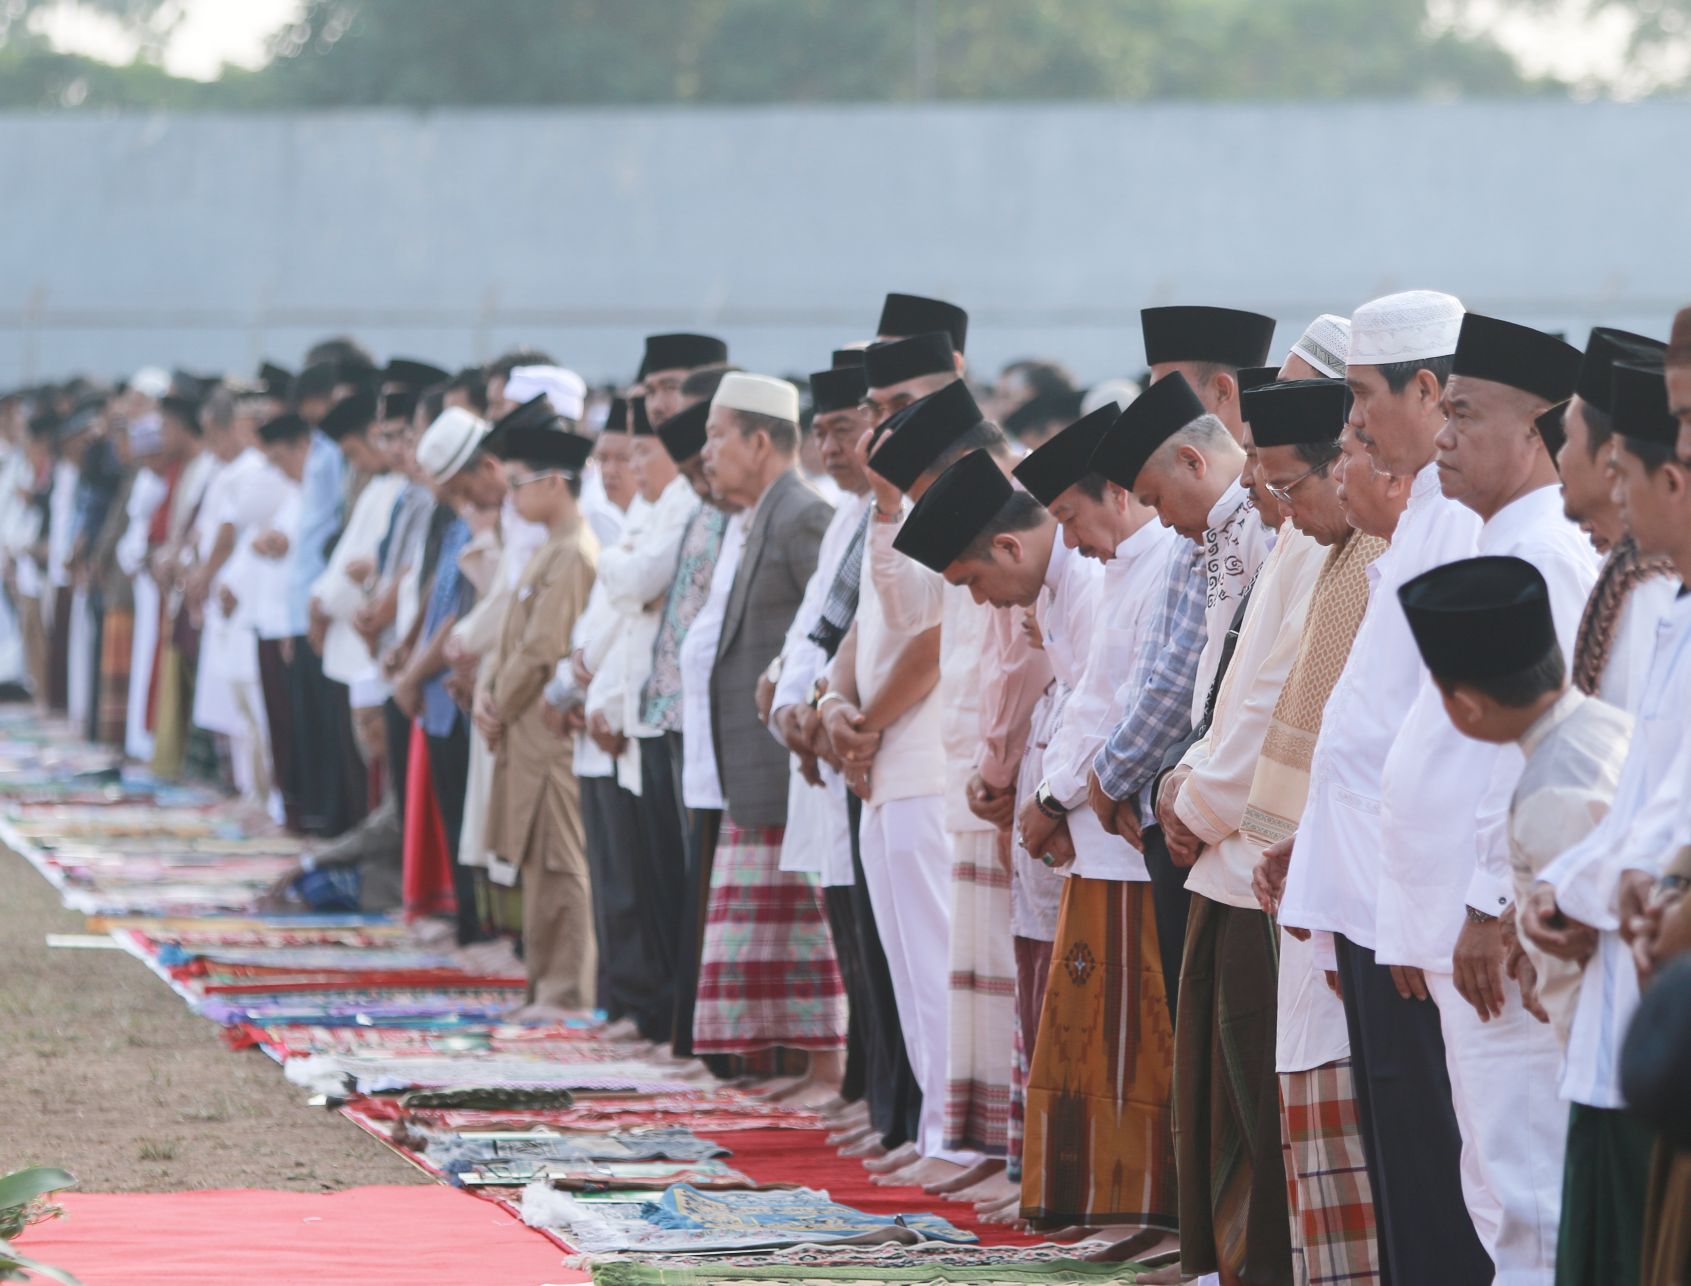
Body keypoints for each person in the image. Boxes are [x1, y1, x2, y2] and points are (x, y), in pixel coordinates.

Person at [1271, 288, 1494, 1285]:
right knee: (1407, 1166)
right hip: (1373, 893)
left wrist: (1426, 909)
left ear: (1426, 386)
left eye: (1363, 397)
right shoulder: (1424, 516)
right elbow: (1368, 725)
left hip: (1416, 910)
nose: (1351, 423)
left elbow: (1475, 734)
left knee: (1443, 1170)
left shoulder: (1464, 520)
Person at [1375, 312, 1591, 1284]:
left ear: (1537, 431)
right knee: (1491, 1173)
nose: (1444, 436)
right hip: (1468, 910)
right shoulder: (1491, 533)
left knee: (1522, 1183)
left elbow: (1538, 747)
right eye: (1443, 411)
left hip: (1500, 920)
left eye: (1464, 414)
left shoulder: (1541, 549)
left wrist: (1484, 898)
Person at [1157, 379, 1354, 1286]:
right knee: (1227, 1095)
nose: (1269, 502)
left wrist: (1196, 803)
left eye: (1281, 483)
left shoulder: (1346, 545)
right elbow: (1231, 691)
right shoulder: (1296, 538)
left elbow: (1286, 701)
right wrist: (1184, 781)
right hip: (1244, 845)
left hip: (1270, 854)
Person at [1525, 358, 1691, 1286]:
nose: (1610, 501)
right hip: (1627, 976)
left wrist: (1590, 885)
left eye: (1620, 477)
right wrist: (1568, 884)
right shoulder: (1662, 604)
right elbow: (1644, 796)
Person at [1001, 400, 1169, 1227]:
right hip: (1092, 831)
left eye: (1070, 517)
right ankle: (1097, 1205)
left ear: (1118, 494)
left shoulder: (1162, 560)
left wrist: (1059, 794)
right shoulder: (1120, 570)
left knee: (1141, 1041)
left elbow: (1130, 706)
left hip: (1130, 835)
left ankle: (1144, 1213)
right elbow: (1089, 701)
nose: (1067, 541)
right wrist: (1055, 797)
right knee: (1090, 1040)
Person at [1086, 369, 1271, 1022]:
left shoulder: (1259, 524)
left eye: (1157, 497)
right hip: (1190, 778)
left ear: (1193, 460)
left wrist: (1107, 779)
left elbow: (1223, 684)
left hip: (1225, 796)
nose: (1160, 518)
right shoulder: (1207, 530)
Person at [693, 372, 847, 1072]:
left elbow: (834, 635)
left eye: (717, 436)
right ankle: (788, 1065)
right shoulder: (761, 514)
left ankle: (824, 1070)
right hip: (757, 757)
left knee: (807, 932)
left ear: (759, 442)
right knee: (768, 937)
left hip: (796, 754)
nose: (707, 452)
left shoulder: (802, 514)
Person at [765, 362, 875, 1110]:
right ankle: (872, 1096)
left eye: (846, 429)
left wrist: (817, 704)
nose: (830, 448)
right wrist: (791, 701)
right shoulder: (846, 512)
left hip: (873, 744)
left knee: (889, 942)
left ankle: (888, 1107)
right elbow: (813, 626)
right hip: (825, 734)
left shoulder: (890, 515)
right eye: (823, 432)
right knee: (854, 928)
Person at [475, 416, 599, 1017]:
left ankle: (566, 991)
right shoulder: (548, 547)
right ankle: (543, 983)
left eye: (520, 482)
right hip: (521, 729)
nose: (512, 493)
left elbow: (545, 647)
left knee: (559, 862)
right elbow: (510, 638)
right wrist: (490, 693)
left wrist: (498, 699)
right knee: (536, 861)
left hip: (544, 734)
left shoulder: (574, 552)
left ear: (555, 482)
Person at [1558, 328, 1677, 707]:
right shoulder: (1626, 570)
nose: (1558, 459)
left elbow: (1625, 750)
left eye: (1567, 439)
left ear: (1612, 456)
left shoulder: (1652, 588)